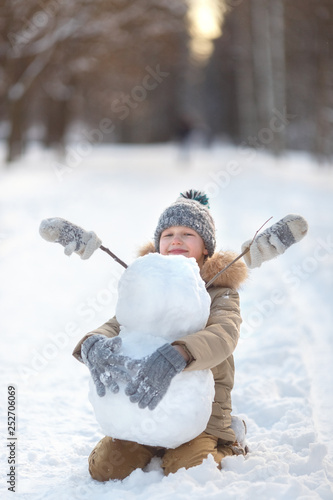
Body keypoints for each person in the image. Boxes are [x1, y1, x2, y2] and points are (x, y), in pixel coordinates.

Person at [72, 189, 248, 481]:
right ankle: (148, 446)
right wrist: (93, 342)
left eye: (187, 234)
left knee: (187, 470)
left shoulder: (221, 292)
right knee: (107, 469)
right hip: (142, 406)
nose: (176, 240)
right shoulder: (148, 285)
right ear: (157, 245)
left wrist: (181, 352)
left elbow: (224, 333)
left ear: (206, 247)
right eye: (168, 234)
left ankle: (231, 440)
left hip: (200, 416)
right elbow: (118, 323)